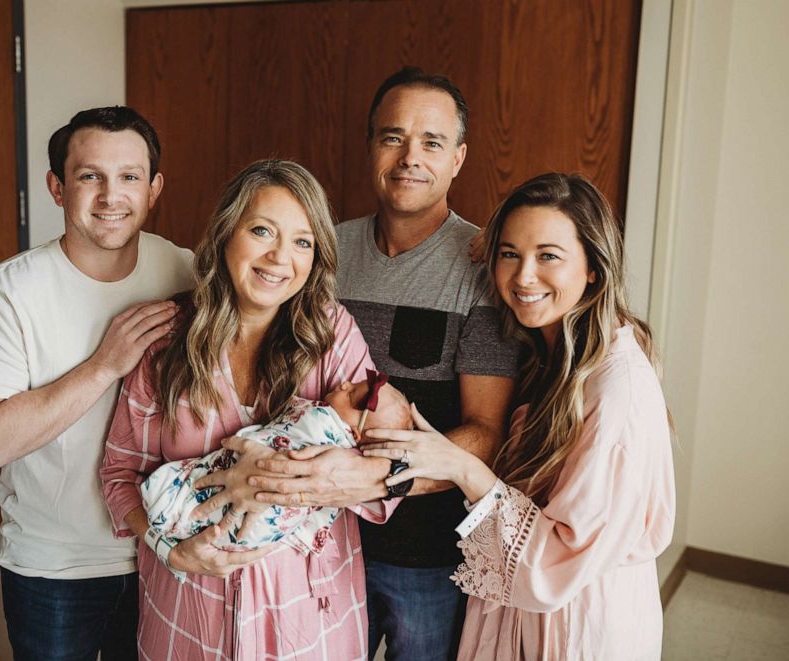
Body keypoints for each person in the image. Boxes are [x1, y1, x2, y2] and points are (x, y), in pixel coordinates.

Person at [220, 66, 519, 660]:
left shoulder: (484, 271)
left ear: (458, 159)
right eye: (392, 137)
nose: (410, 157)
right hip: (310, 543)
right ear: (370, 148)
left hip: (421, 557)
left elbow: (486, 435)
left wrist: (375, 479)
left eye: (431, 142)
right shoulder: (317, 250)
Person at [363, 172, 676, 660]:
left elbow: (558, 559)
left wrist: (461, 466)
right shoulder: (546, 349)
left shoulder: (618, 391)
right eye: (510, 254)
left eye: (549, 256)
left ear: (594, 266)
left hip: (571, 621)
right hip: (518, 605)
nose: (523, 276)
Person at [101, 159, 398, 660]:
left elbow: (394, 459)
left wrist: (282, 479)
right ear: (225, 235)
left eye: (303, 242)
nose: (281, 257)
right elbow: (119, 473)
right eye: (262, 230)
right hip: (188, 610)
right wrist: (171, 550)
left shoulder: (332, 333)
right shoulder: (166, 344)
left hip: (308, 613)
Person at [0, 106, 194, 661]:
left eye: (129, 176)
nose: (111, 196)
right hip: (54, 568)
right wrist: (104, 365)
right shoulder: (9, 293)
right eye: (90, 176)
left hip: (163, 552)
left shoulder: (186, 271)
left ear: (153, 188)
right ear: (57, 188)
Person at [142, 371, 410, 554]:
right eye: (353, 384)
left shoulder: (325, 425)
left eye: (353, 396)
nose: (345, 384)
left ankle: (176, 510)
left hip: (268, 525)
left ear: (354, 434)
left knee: (218, 509)